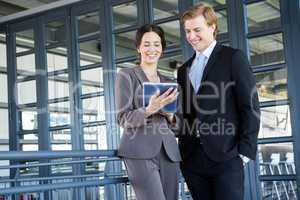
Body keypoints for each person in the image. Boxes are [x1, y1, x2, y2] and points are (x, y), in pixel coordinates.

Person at [176, 3, 261, 200]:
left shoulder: (233, 58)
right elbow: (187, 114)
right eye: (187, 31)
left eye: (197, 30)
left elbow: (250, 107)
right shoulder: (184, 70)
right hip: (192, 159)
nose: (191, 36)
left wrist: (244, 154)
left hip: (227, 157)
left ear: (212, 27)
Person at [115, 24, 181, 200]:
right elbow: (123, 118)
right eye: (146, 44)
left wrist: (171, 116)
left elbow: (180, 127)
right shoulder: (126, 75)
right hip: (139, 152)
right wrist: (148, 110)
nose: (152, 49)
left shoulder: (169, 82)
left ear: (162, 48)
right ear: (138, 47)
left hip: (169, 153)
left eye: (157, 44)